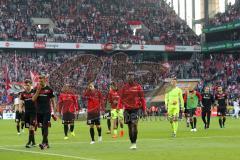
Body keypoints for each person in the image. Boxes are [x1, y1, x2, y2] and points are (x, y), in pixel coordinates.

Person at [118, 72, 147, 150]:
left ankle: (134, 143)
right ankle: (132, 142)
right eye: (128, 76)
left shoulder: (138, 87)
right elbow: (120, 99)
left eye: (131, 76)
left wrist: (144, 110)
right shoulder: (124, 88)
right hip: (127, 109)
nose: (129, 77)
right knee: (130, 127)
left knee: (134, 124)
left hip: (136, 109)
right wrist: (119, 108)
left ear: (133, 77)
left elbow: (142, 99)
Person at [35, 74, 56, 149]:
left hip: (47, 111)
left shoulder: (49, 89)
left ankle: (43, 143)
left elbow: (53, 100)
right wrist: (38, 91)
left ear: (45, 79)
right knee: (42, 128)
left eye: (41, 79)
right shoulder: (36, 88)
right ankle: (46, 143)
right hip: (39, 112)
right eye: (39, 80)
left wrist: (54, 111)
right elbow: (33, 99)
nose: (40, 81)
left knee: (45, 126)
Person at [20, 79, 40, 148]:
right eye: (25, 85)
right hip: (27, 113)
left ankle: (29, 142)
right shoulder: (23, 93)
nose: (26, 86)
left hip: (33, 112)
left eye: (28, 85)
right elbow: (21, 101)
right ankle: (33, 142)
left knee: (31, 127)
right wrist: (20, 107)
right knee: (29, 128)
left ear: (31, 85)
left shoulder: (34, 91)